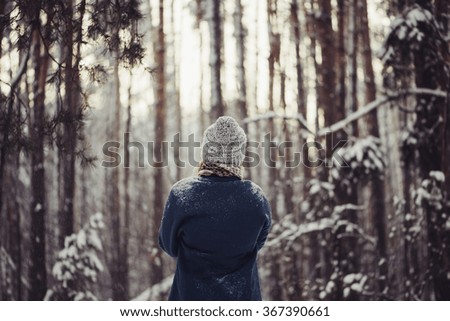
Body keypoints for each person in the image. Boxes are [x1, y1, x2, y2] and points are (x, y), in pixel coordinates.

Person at [158, 116, 272, 300]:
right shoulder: (256, 198)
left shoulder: (182, 195)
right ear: (239, 155)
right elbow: (258, 244)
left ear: (206, 152)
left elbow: (168, 246)